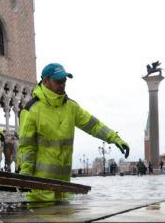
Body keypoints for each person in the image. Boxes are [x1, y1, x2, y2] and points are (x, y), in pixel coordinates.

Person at [17, 63, 128, 204]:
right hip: (40, 192)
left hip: (64, 190)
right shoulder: (32, 110)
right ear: (45, 81)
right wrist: (26, 176)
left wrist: (115, 138)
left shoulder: (71, 107)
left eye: (64, 80)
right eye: (58, 81)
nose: (63, 84)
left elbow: (93, 125)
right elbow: (26, 147)